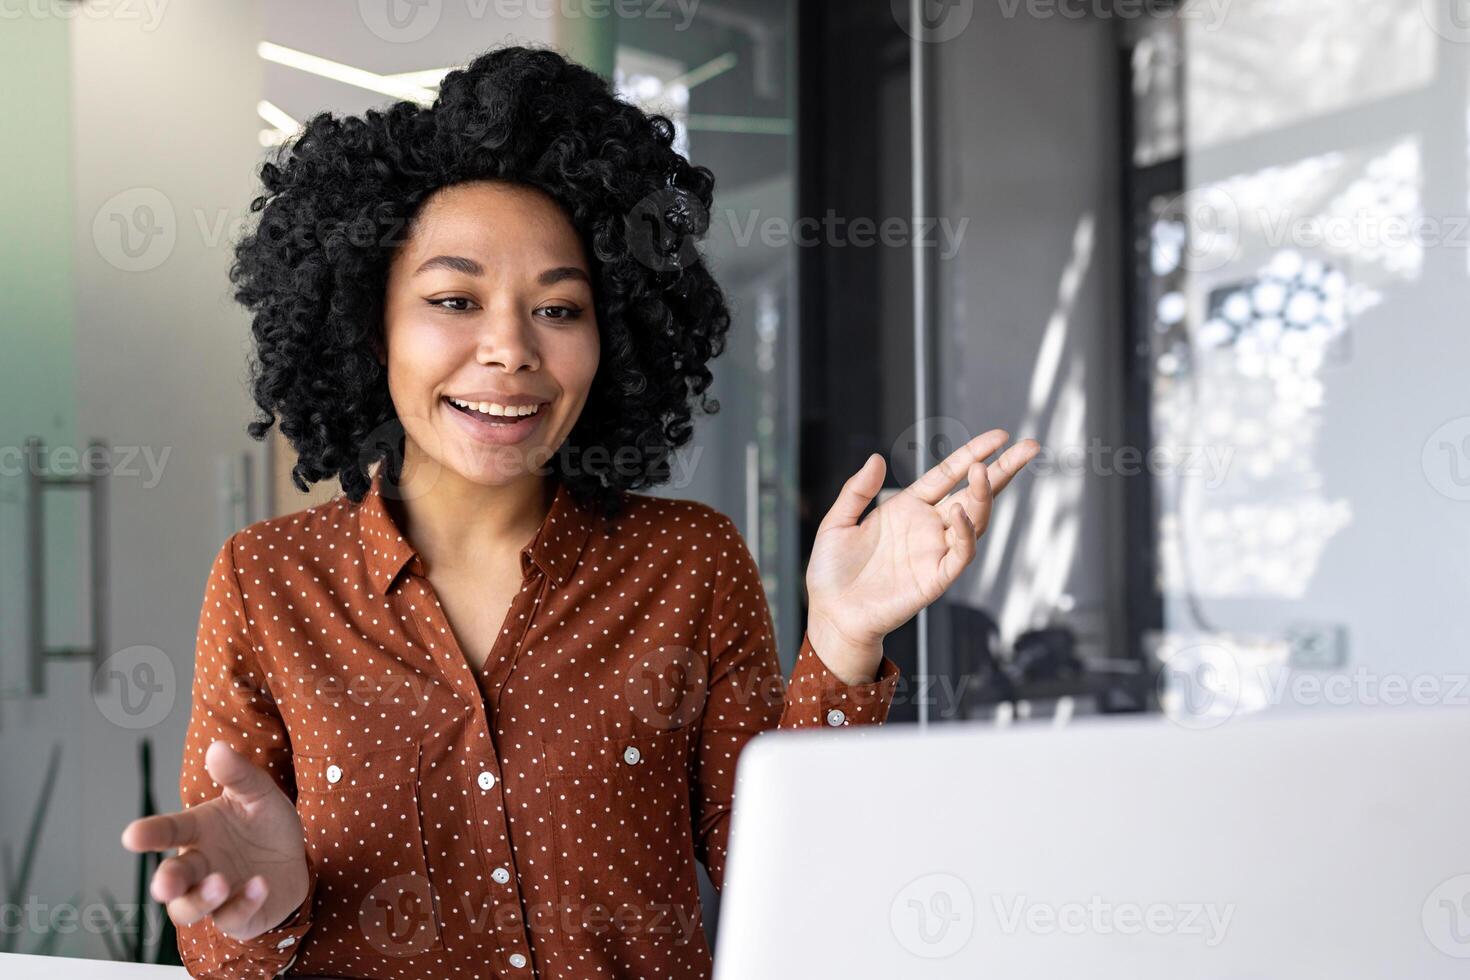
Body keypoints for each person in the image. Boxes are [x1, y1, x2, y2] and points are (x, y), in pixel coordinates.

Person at [120, 43, 1038, 980]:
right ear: (369, 324)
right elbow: (218, 952)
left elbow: (789, 879)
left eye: (558, 310)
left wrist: (841, 639)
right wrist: (262, 905)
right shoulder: (268, 582)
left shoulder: (689, 565)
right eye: (453, 299)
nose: (510, 348)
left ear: (614, 337)